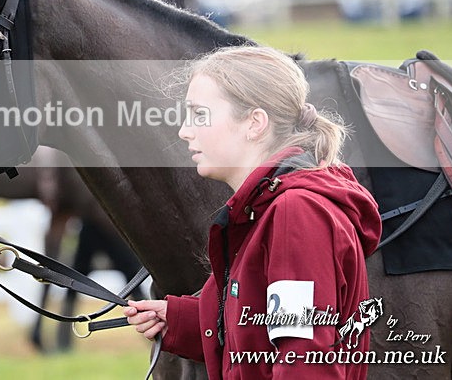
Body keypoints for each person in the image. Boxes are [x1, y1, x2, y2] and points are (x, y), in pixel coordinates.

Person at [124, 46, 382, 379]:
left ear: (254, 123)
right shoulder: (266, 208)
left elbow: (304, 360)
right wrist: (178, 318)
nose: (185, 131)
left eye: (199, 115)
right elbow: (257, 330)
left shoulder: (296, 213)